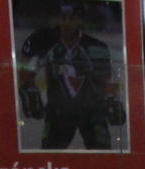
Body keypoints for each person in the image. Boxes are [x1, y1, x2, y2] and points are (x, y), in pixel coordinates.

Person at [17, 1, 124, 150]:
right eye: (63, 18)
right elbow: (26, 70)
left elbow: (105, 80)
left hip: (91, 112)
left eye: (72, 18)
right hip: (58, 112)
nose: (67, 23)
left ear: (79, 19)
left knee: (103, 155)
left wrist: (111, 99)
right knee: (51, 159)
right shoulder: (43, 42)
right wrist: (28, 89)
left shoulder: (96, 48)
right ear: (57, 18)